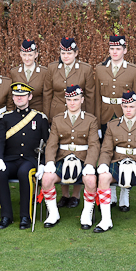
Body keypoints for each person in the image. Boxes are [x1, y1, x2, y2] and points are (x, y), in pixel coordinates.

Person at [94, 91, 136, 233]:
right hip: (118, 162)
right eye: (125, 107)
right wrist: (104, 164)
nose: (128, 110)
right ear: (121, 107)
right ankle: (106, 220)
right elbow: (106, 150)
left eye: (131, 106)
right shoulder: (112, 125)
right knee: (103, 177)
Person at [36, 85, 99, 229]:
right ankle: (53, 214)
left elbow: (94, 144)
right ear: (65, 100)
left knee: (90, 180)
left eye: (75, 99)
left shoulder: (91, 120)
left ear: (82, 100)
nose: (72, 103)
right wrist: (50, 162)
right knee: (46, 179)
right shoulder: (58, 119)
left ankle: (86, 214)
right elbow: (51, 144)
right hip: (62, 158)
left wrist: (90, 163)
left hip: (83, 158)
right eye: (69, 99)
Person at [43, 37, 95, 209]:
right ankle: (64, 195)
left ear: (76, 53)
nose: (66, 56)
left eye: (69, 53)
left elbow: (90, 96)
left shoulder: (86, 69)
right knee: (61, 150)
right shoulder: (52, 68)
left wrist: (90, 119)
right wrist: (47, 117)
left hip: (80, 114)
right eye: (63, 53)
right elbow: (47, 93)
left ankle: (75, 194)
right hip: (57, 114)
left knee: (79, 149)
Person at [93, 35, 136, 212]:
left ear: (125, 50)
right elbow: (96, 98)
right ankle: (111, 192)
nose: (115, 52)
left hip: (126, 117)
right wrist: (97, 124)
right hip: (106, 116)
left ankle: (125, 194)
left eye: (118, 49)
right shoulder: (99, 69)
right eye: (112, 49)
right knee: (108, 155)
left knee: (125, 153)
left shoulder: (134, 70)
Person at [0, 82, 49, 229]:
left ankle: (26, 216)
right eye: (16, 96)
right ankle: (6, 216)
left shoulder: (40, 118)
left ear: (29, 96)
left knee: (24, 173)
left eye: (22, 96)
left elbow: (47, 143)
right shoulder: (5, 118)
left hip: (30, 160)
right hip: (10, 159)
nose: (19, 98)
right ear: (12, 97)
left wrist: (43, 163)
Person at [9, 40, 46, 113]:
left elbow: (46, 97)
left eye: (30, 55)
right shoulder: (14, 72)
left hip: (38, 112)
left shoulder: (44, 72)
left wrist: (46, 117)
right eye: (24, 55)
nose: (27, 58)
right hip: (19, 113)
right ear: (20, 54)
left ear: (36, 55)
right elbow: (11, 96)